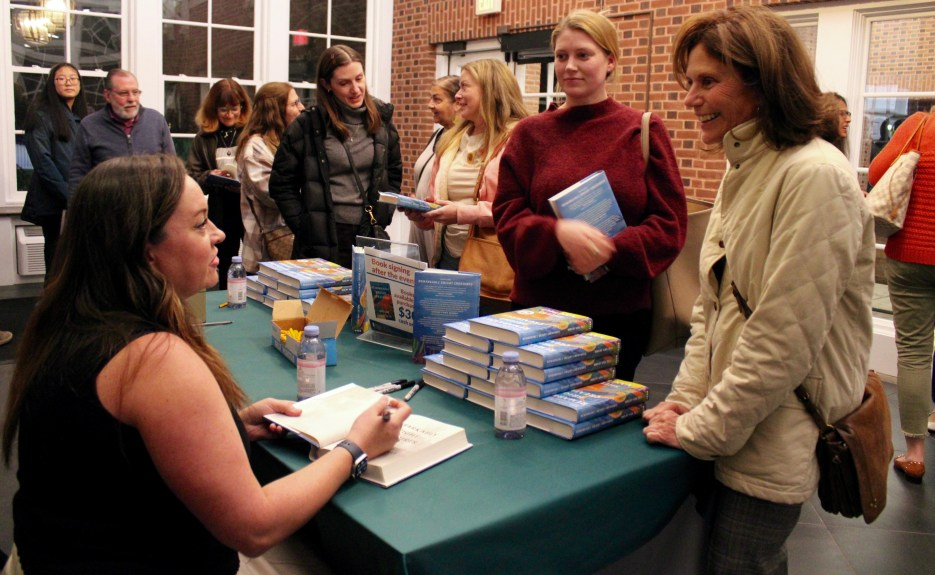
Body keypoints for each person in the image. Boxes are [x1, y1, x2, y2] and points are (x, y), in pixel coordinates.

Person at [2, 154, 410, 573]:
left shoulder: (71, 322)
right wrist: (356, 447)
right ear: (146, 251)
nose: (218, 234)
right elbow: (255, 528)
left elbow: (114, 454)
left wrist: (233, 425)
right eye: (199, 224)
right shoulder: (153, 359)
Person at [641, 6, 874, 573]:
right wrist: (686, 398)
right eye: (688, 81)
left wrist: (703, 427)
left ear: (763, 84)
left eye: (708, 82)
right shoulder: (744, 167)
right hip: (734, 420)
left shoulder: (814, 176)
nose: (691, 99)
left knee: (740, 563)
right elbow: (713, 308)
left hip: (775, 431)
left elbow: (782, 339)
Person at [493, 10, 687, 381]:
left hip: (618, 315)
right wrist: (556, 234)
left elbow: (669, 225)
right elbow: (507, 218)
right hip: (540, 313)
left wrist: (612, 249)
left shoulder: (641, 130)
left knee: (605, 420)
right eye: (562, 56)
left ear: (610, 60)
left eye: (584, 55)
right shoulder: (529, 134)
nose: (570, 66)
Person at [270, 45, 402, 269]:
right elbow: (281, 184)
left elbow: (394, 173)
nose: (356, 89)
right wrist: (306, 227)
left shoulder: (382, 121)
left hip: (369, 233)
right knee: (322, 303)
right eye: (344, 83)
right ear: (326, 85)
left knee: (367, 302)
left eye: (359, 78)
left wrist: (383, 215)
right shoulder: (307, 125)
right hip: (321, 238)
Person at [406, 60, 527, 274]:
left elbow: (517, 210)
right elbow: (441, 204)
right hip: (447, 258)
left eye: (464, 86)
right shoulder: (452, 140)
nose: (458, 95)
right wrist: (424, 216)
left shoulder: (519, 138)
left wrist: (460, 213)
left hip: (495, 263)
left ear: (490, 89)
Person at [868, 106, 935, 482]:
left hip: (909, 255)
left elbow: (878, 172)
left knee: (914, 353)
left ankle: (914, 454)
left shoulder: (919, 124)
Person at [22, 62, 90, 276]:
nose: (69, 82)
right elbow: (42, 162)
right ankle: (52, 308)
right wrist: (68, 195)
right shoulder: (41, 116)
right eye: (62, 78)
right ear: (52, 84)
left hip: (82, 199)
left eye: (73, 77)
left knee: (83, 263)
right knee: (57, 263)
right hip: (55, 202)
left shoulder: (86, 117)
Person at [187, 79, 253, 289]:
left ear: (242, 107)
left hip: (248, 204)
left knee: (254, 259)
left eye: (234, 108)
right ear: (213, 109)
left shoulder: (250, 132)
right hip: (220, 206)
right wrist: (210, 175)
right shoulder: (203, 138)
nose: (230, 115)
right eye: (223, 109)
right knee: (224, 259)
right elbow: (193, 175)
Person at [67, 69, 174, 197]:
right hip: (108, 206)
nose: (132, 99)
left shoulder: (156, 120)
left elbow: (172, 168)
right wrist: (75, 210)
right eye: (124, 93)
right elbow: (78, 175)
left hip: (152, 206)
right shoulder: (89, 126)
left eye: (135, 92)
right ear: (107, 95)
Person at [238, 82, 305, 273]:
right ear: (275, 111)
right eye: (294, 103)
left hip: (290, 245)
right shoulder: (256, 149)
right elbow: (275, 194)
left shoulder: (287, 141)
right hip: (265, 252)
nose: (302, 108)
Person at [409, 75, 460, 263]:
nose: (430, 105)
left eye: (437, 99)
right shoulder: (438, 134)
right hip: (420, 224)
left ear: (457, 102)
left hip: (438, 230)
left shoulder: (463, 140)